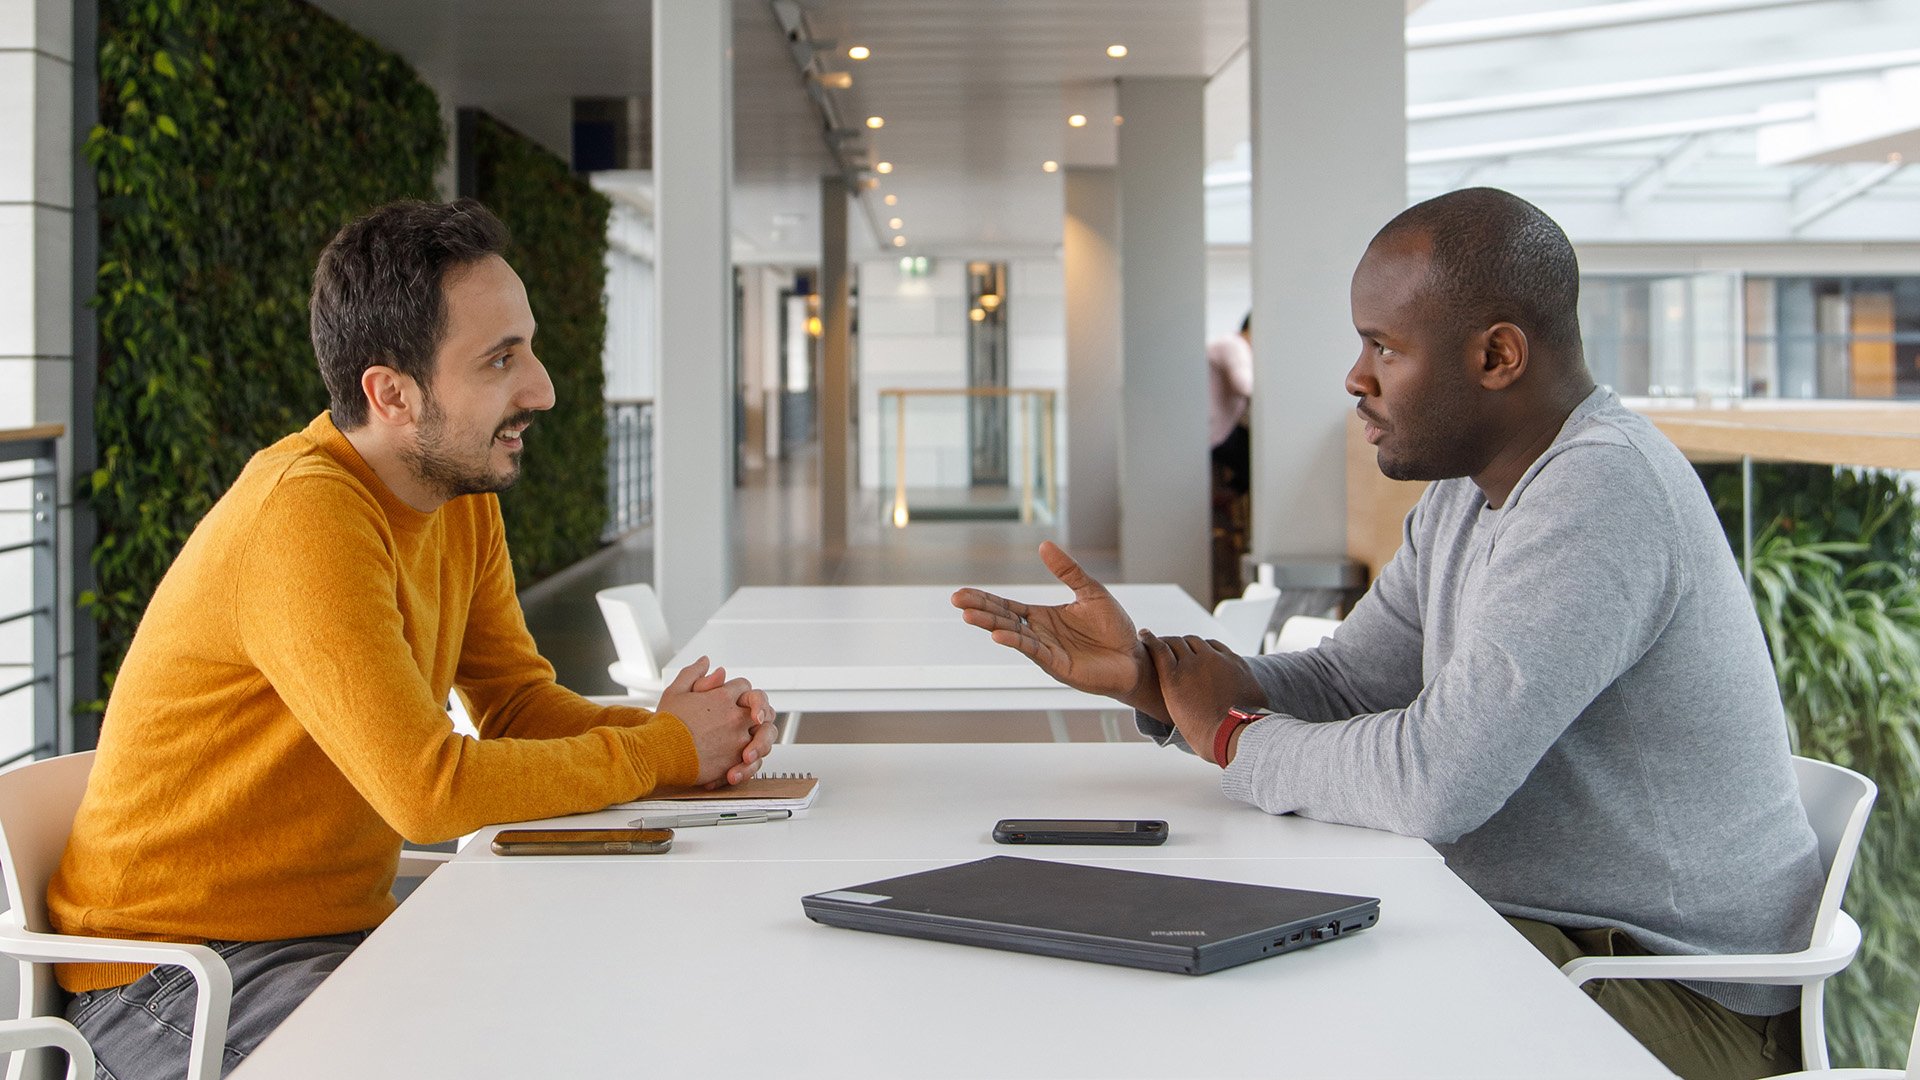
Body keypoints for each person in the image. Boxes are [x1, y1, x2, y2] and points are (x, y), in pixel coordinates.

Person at [954, 188, 1822, 1080]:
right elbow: (1350, 684)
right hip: (1548, 931)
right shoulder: (1467, 485)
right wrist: (1153, 679)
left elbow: (1435, 782)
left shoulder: (1600, 493)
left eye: (1384, 346)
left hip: (1678, 996)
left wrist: (1231, 736)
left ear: (1497, 356)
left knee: (1284, 1014)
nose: (1354, 376)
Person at [48, 199, 778, 1079]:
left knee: (605, 1015)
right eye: (501, 359)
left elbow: (513, 705)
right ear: (390, 393)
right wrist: (662, 750)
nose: (543, 388)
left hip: (332, 936)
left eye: (530, 347)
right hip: (177, 973)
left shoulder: (455, 501)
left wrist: (689, 738)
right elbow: (426, 792)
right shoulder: (306, 515)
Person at [1207, 314, 1255, 602]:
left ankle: (1232, 499)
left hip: (1216, 433)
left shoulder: (1226, 345)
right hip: (1218, 435)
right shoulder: (1234, 345)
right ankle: (1233, 500)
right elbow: (1245, 385)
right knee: (1259, 467)